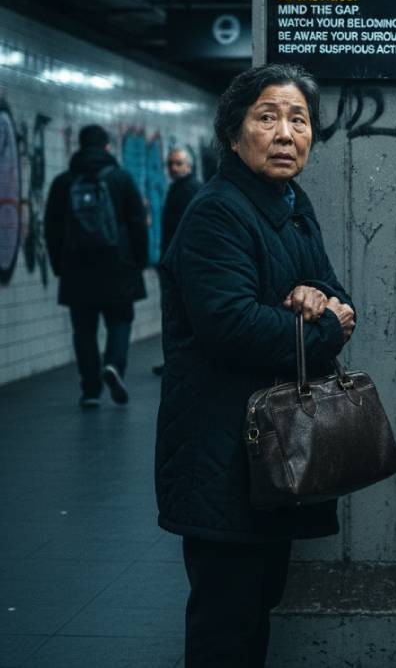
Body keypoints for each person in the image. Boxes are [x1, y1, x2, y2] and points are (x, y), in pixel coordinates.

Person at [154, 64, 356, 667]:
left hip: (268, 452)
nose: (285, 133)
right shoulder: (216, 213)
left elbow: (337, 294)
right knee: (225, 619)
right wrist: (322, 322)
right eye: (267, 117)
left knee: (257, 603)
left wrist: (318, 303)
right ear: (233, 131)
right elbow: (233, 327)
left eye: (299, 120)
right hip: (220, 451)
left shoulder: (292, 204)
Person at [45, 124, 148, 408]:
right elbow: (138, 223)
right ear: (106, 147)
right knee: (121, 320)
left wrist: (58, 266)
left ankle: (90, 389)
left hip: (76, 268)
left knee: (84, 329)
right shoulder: (121, 179)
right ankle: (113, 364)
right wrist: (139, 261)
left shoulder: (63, 182)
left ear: (80, 145)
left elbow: (51, 228)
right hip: (118, 265)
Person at [151, 146, 201, 376]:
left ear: (189, 166)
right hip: (177, 263)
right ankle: (174, 359)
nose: (173, 168)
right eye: (171, 164)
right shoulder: (182, 188)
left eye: (178, 163)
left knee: (177, 313)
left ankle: (176, 360)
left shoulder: (189, 190)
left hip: (181, 264)